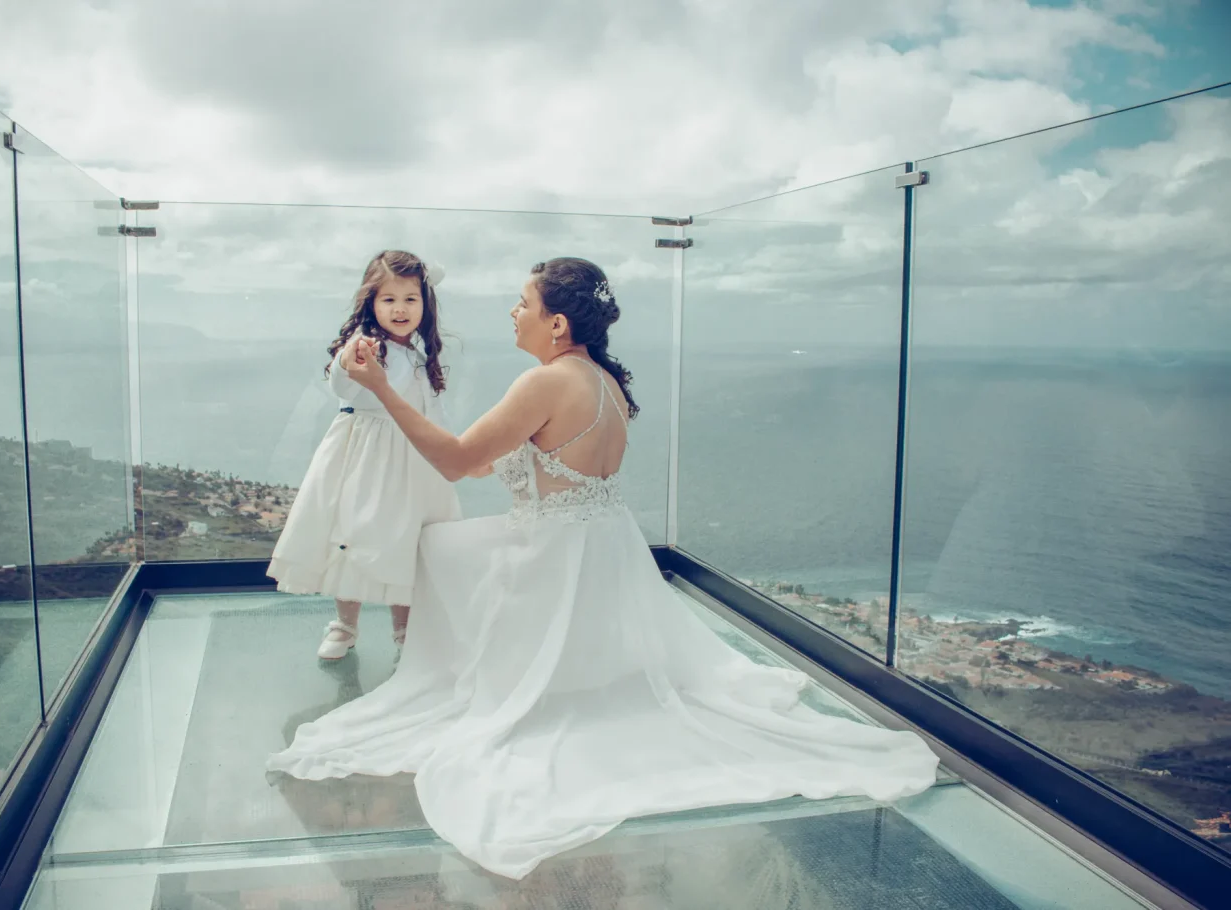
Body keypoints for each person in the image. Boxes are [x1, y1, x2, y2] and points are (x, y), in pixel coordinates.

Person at [267, 257, 939, 878]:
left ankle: (457, 664)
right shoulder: (603, 380)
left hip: (552, 554)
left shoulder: (545, 382)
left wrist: (381, 388)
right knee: (446, 545)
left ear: (556, 323)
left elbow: (454, 462)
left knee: (433, 548)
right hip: (601, 546)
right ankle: (462, 652)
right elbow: (527, 467)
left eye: (523, 303)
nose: (512, 313)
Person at [266, 250, 461, 659]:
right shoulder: (367, 347)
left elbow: (433, 409)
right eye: (388, 299)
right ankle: (345, 624)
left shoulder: (420, 353)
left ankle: (405, 627)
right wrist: (348, 359)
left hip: (415, 460)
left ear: (425, 304)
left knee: (408, 540)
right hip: (367, 458)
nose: (400, 309)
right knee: (352, 534)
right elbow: (343, 386)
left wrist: (447, 447)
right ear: (371, 303)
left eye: (410, 299)